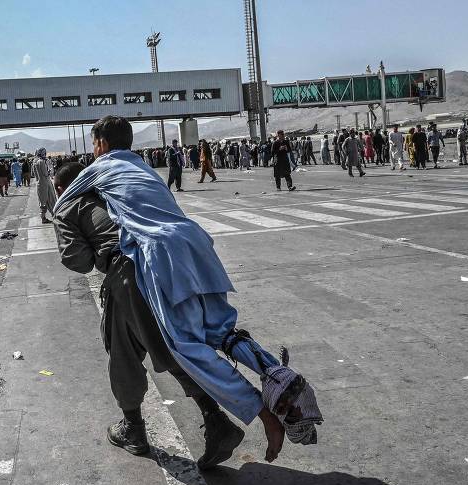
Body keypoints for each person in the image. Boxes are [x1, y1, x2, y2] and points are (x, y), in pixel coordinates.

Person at [54, 116, 323, 464]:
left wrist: (68, 216)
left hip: (144, 265)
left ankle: (258, 414)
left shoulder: (86, 183)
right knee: (219, 333)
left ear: (101, 146)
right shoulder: (139, 171)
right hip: (195, 248)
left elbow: (77, 259)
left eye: (94, 146)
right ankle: (269, 379)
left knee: (174, 347)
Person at [52, 161, 245, 468]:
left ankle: (145, 428)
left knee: (134, 351)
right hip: (165, 263)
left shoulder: (67, 204)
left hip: (128, 274)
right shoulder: (113, 188)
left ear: (60, 188)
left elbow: (79, 261)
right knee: (168, 342)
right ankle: (210, 418)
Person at [33, 148, 57, 224]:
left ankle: (43, 218)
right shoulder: (42, 162)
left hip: (39, 184)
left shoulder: (35, 162)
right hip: (46, 183)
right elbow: (45, 173)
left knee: (42, 201)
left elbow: (35, 175)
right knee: (51, 199)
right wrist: (49, 171)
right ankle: (54, 215)